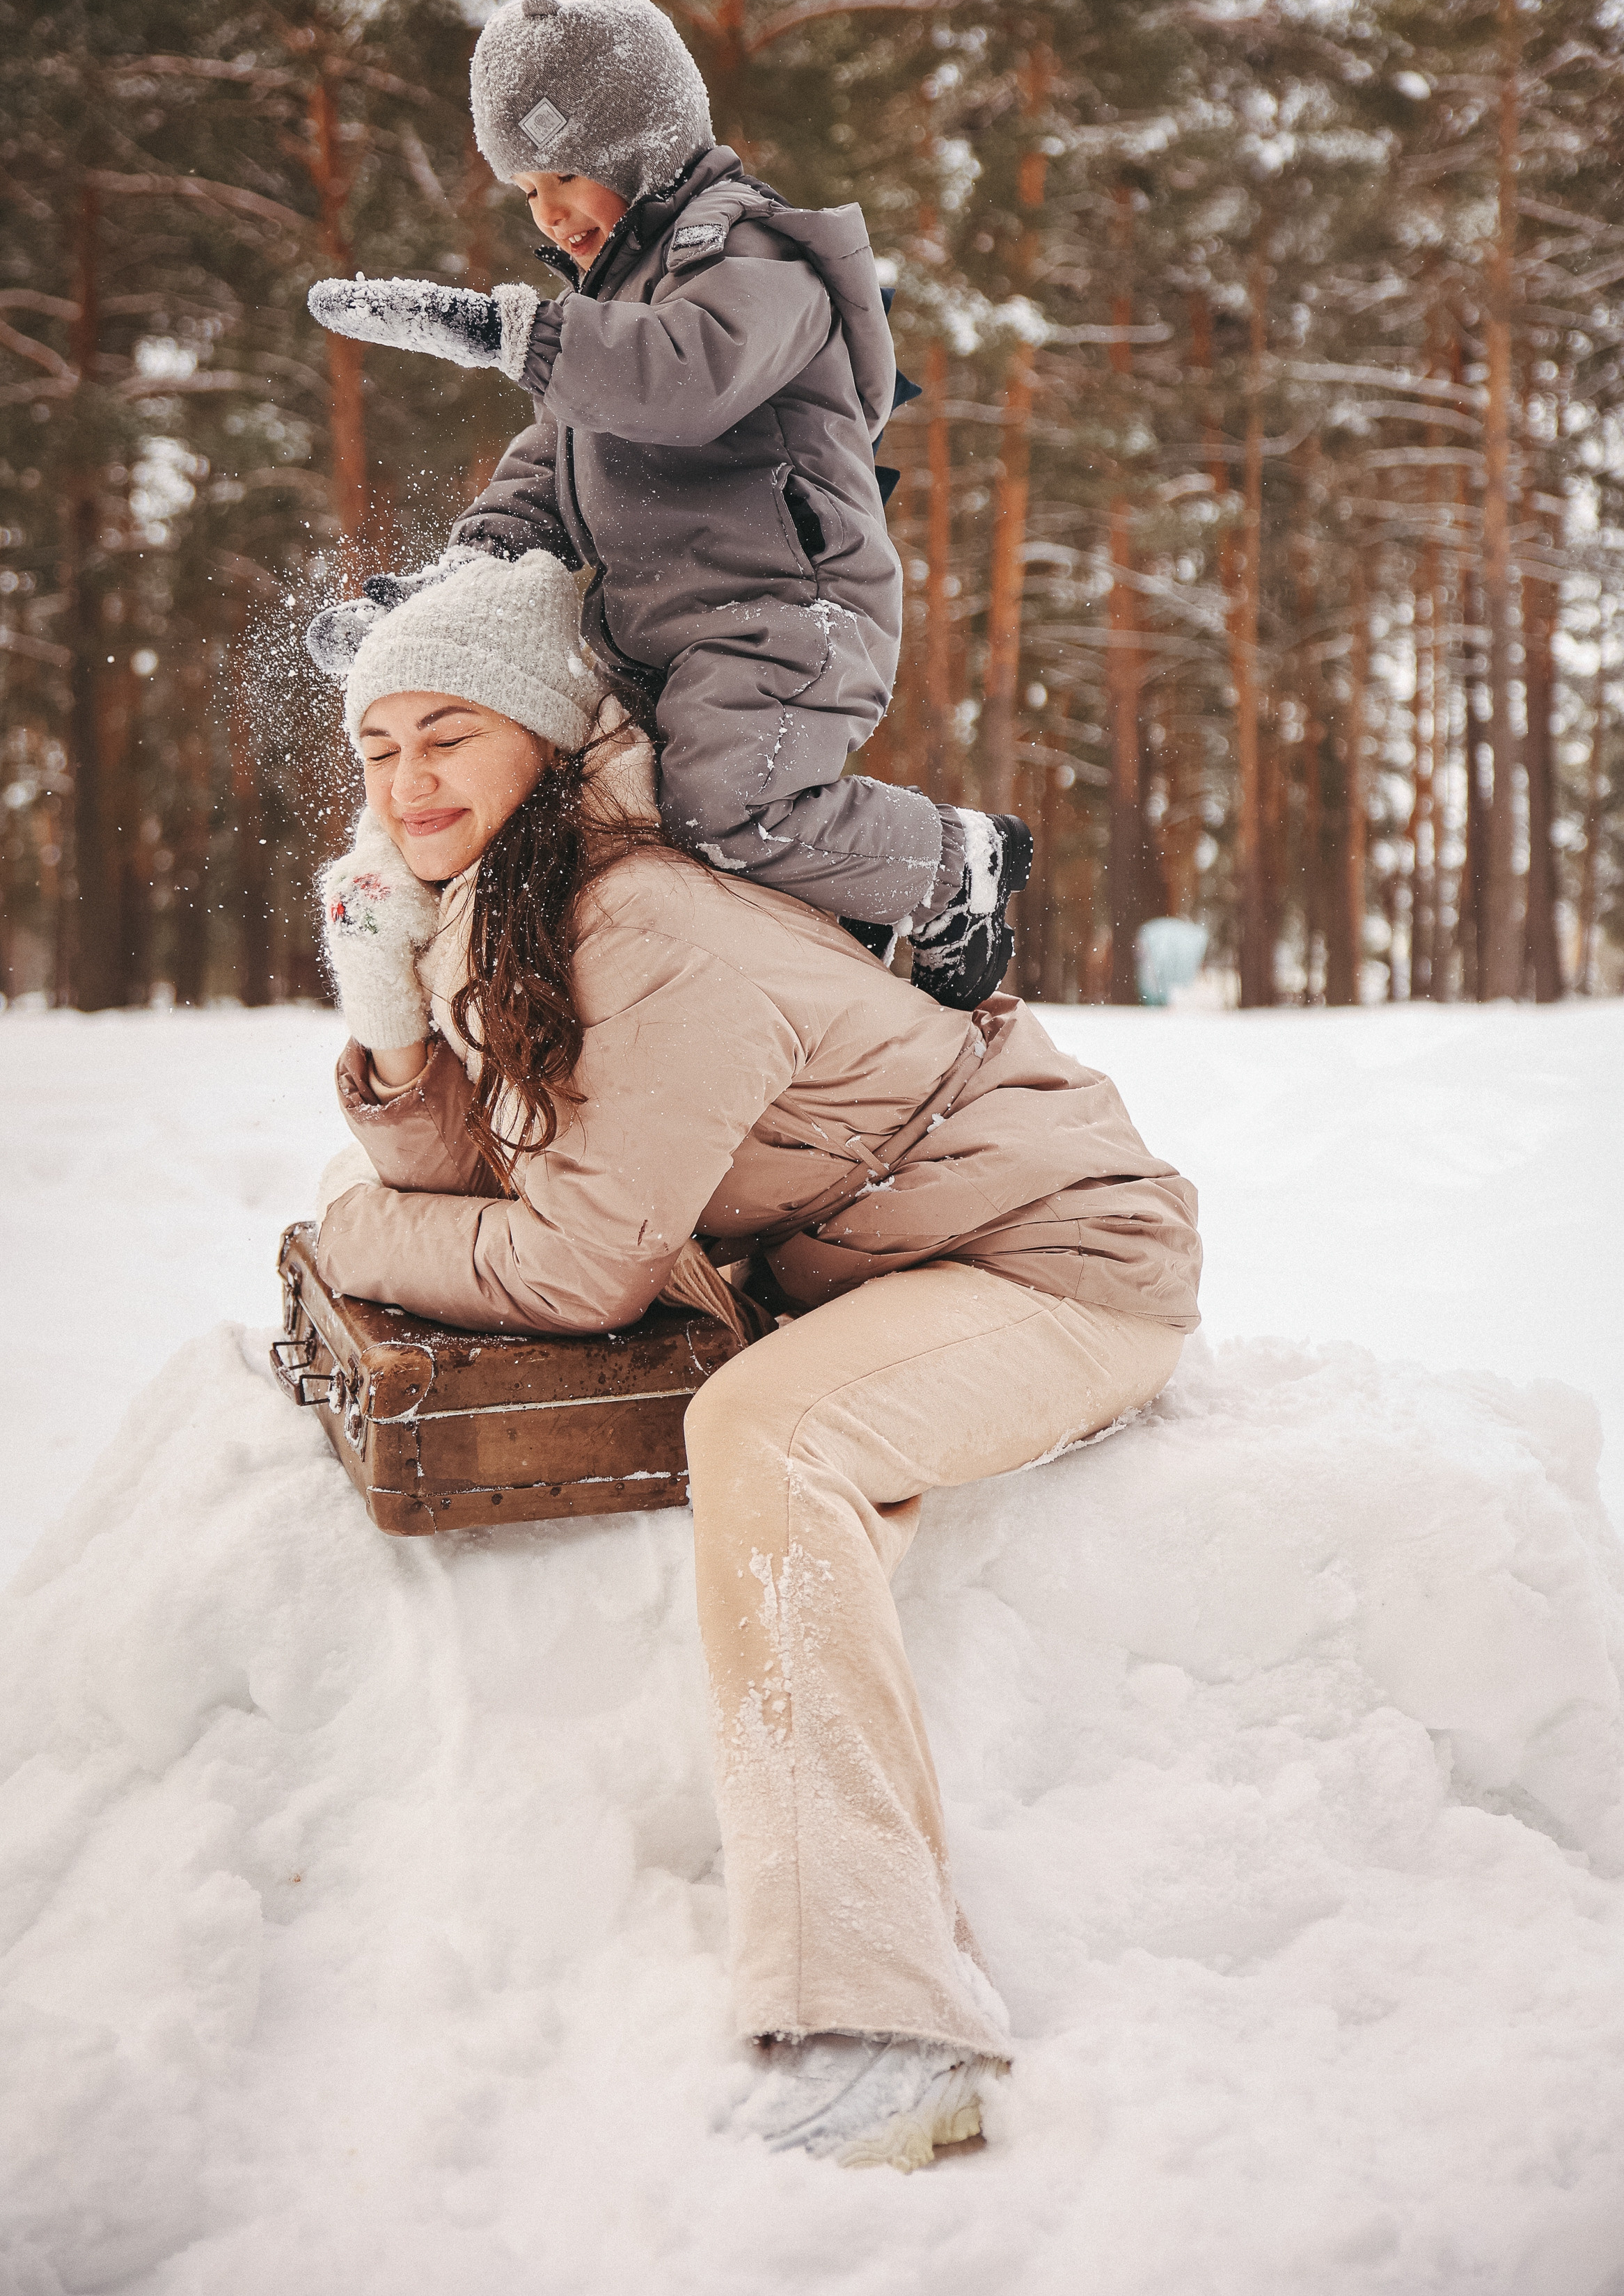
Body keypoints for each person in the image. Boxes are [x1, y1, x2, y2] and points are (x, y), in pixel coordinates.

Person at [311, 550, 1202, 2171]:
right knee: (753, 1401)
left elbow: (576, 1263)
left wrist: (345, 1243)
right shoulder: (501, 909)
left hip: (1055, 1259)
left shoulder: (642, 923)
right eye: (380, 747)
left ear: (544, 735)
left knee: (770, 1436)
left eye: (451, 733)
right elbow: (481, 1178)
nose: (410, 777)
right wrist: (386, 1024)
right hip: (888, 1262)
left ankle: (891, 2021)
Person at [305, 0, 1030, 1011]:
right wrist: (439, 596)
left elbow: (682, 379)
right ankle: (818, 922)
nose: (549, 212)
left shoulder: (757, 258)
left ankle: (954, 867)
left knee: (723, 806)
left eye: (565, 173)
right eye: (524, 193)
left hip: (788, 612)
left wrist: (499, 332)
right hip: (668, 632)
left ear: (643, 149)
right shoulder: (602, 325)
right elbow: (542, 474)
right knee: (609, 809)